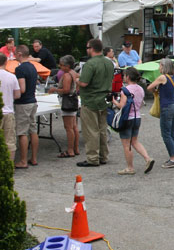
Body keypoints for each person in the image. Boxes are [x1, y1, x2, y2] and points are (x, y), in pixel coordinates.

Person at [77, 39, 113, 168]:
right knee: (102, 129)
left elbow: (84, 83)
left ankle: (92, 158)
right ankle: (104, 156)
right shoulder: (109, 63)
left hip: (90, 100)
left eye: (87, 47)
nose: (87, 50)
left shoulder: (90, 64)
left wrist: (76, 79)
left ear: (92, 48)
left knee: (91, 130)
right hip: (104, 99)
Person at [113, 67, 154, 175]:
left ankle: (130, 167)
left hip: (127, 118)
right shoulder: (140, 89)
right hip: (137, 116)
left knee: (127, 144)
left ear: (128, 77)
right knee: (134, 141)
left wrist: (114, 102)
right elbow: (140, 104)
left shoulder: (125, 90)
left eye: (124, 75)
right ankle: (147, 158)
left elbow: (122, 105)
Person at [146, 57, 174, 169]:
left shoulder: (162, 77)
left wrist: (156, 92)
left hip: (166, 107)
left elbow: (149, 87)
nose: (159, 67)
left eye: (160, 65)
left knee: (166, 133)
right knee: (171, 132)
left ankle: (173, 159)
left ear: (164, 66)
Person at [12, 45, 39, 169]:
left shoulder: (20, 69)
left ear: (19, 54)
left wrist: (12, 92)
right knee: (33, 130)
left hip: (23, 103)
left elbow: (22, 89)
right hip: (33, 101)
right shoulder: (33, 67)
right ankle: (33, 158)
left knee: (22, 132)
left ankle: (23, 161)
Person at [49, 55, 80, 158]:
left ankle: (70, 150)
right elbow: (78, 83)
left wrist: (55, 89)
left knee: (68, 127)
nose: (60, 66)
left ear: (67, 66)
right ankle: (76, 148)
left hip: (67, 102)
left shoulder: (67, 75)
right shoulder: (74, 73)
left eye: (62, 65)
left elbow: (66, 90)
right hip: (74, 100)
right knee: (74, 126)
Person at [0, 53, 21, 164]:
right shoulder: (12, 77)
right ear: (6, 62)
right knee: (10, 141)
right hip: (8, 110)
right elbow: (17, 95)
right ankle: (9, 166)